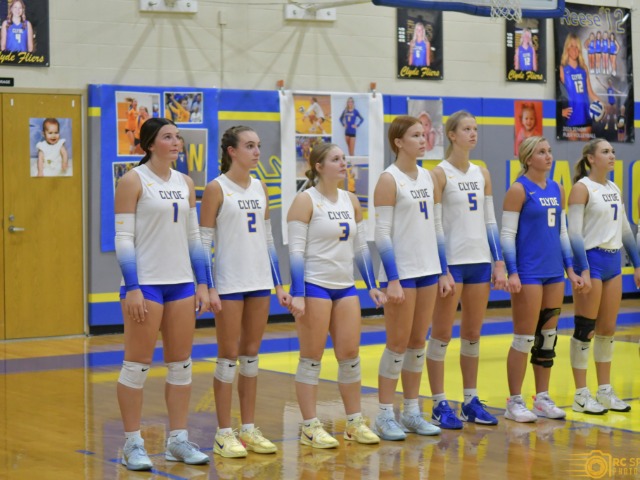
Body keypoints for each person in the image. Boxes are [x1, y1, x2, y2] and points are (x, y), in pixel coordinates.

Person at [114, 117, 212, 471]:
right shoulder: (133, 180)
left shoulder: (186, 182)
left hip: (181, 283)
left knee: (181, 365)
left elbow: (194, 237)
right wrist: (133, 287)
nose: (176, 142)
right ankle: (132, 444)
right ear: (150, 144)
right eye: (168, 137)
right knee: (136, 366)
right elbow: (123, 239)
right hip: (145, 284)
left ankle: (178, 441)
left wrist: (203, 283)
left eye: (178, 137)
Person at [200, 125, 291, 458]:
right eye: (249, 146)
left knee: (251, 355)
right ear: (232, 151)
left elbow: (268, 239)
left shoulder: (260, 186)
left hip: (259, 282)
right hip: (228, 283)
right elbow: (203, 242)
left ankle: (248, 429)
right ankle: (224, 432)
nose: (257, 152)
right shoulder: (216, 188)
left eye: (258, 145)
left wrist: (278, 284)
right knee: (228, 355)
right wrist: (208, 286)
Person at [287, 142, 385, 449]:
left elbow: (360, 247)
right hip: (314, 285)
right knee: (311, 358)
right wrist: (298, 293)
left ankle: (354, 422)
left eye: (344, 158)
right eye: (336, 159)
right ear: (319, 167)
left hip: (345, 287)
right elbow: (296, 252)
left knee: (350, 355)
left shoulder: (351, 200)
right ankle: (309, 426)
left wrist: (371, 284)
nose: (344, 163)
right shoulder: (305, 201)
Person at [373, 115, 452, 441]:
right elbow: (381, 234)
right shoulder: (388, 180)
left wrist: (443, 270)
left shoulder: (429, 178)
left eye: (424, 134)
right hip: (401, 274)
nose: (423, 140)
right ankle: (383, 415)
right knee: (397, 344)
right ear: (398, 142)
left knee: (418, 343)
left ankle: (411, 412)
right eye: (416, 135)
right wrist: (392, 279)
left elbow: (437, 227)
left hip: (428, 270)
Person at [427, 111, 507, 429]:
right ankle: (438, 403)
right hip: (452, 264)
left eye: (475, 129)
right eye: (466, 129)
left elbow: (490, 220)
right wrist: (442, 267)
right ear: (451, 135)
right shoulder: (439, 174)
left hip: (480, 262)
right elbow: (435, 225)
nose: (473, 134)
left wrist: (498, 261)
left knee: (473, 334)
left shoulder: (482, 172)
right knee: (442, 335)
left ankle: (470, 401)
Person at [501, 136, 582, 423]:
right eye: (541, 152)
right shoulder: (518, 190)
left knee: (547, 338)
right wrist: (512, 272)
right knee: (524, 338)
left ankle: (542, 398)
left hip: (554, 272)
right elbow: (507, 235)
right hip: (529, 272)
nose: (548, 156)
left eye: (549, 151)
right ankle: (514, 401)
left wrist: (570, 269)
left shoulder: (558, 188)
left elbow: (562, 232)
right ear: (527, 159)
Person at [568, 138, 640, 414]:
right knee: (585, 329)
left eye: (613, 151)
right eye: (605, 152)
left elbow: (625, 230)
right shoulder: (582, 188)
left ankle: (605, 391)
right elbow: (574, 233)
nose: (612, 155)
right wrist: (583, 269)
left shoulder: (614, 188)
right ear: (591, 158)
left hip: (613, 263)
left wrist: (637, 264)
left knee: (608, 330)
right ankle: (580, 394)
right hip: (591, 261)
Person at [559, 33, 601, 140]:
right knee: (572, 149)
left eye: (577, 47)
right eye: (571, 46)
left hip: (585, 114)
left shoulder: (584, 68)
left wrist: (602, 105)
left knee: (586, 148)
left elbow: (590, 92)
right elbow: (556, 93)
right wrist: (560, 111)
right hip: (571, 116)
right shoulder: (562, 68)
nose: (574, 49)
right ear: (567, 48)